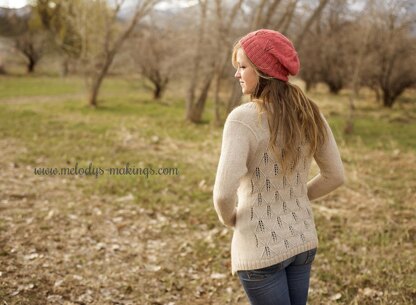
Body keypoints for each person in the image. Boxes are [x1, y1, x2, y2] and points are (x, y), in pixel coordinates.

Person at [212, 29, 345, 305]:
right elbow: (335, 176)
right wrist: (295, 198)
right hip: (302, 241)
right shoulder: (310, 111)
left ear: (263, 71)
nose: (237, 74)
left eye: (243, 67)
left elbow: (223, 195)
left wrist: (231, 219)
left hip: (260, 249)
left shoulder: (242, 119)